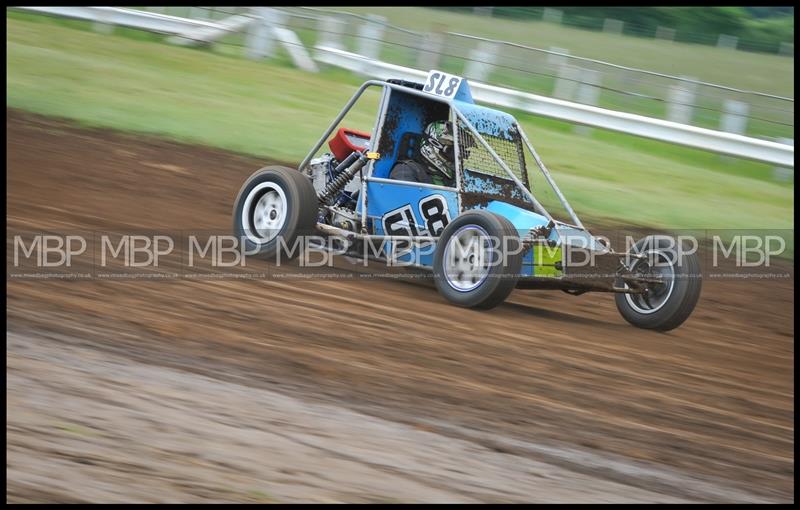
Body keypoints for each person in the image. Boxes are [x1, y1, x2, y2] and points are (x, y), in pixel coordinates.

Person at [389, 120, 455, 187]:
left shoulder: (455, 177)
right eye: (451, 150)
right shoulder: (405, 170)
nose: (455, 156)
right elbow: (404, 195)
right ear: (434, 144)